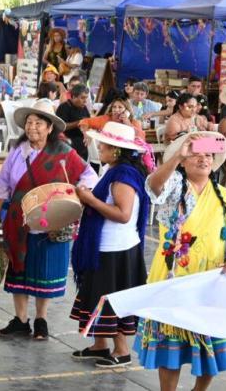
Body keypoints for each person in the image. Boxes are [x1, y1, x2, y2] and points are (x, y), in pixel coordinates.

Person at [140, 131, 226, 390]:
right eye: (196, 154)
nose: (203, 159)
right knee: (171, 349)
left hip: (210, 281)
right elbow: (153, 186)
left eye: (208, 154)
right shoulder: (175, 186)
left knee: (211, 344)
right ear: (185, 160)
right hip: (174, 278)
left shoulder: (223, 195)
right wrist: (178, 154)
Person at [0, 99, 98, 340]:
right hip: (19, 222)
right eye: (29, 123)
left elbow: (89, 176)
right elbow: (2, 187)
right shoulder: (17, 153)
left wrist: (75, 195)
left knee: (43, 272)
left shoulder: (64, 153)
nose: (32, 128)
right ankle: (20, 319)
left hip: (51, 223)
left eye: (39, 123)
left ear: (50, 128)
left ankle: (41, 319)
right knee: (19, 271)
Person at [70, 122, 152, 368]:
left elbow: (123, 214)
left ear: (115, 149)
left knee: (113, 299)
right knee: (100, 297)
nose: (99, 147)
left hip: (116, 249)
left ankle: (122, 350)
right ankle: (100, 346)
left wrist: (89, 200)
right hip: (106, 247)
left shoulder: (124, 176)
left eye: (103, 144)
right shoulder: (113, 169)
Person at [79, 98, 145, 142]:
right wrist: (86, 134)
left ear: (127, 110)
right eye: (114, 107)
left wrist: (128, 124)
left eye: (120, 107)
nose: (116, 110)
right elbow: (83, 121)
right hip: (108, 155)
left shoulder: (134, 122)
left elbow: (142, 138)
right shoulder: (105, 119)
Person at [56, 84, 94, 159]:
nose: (85, 101)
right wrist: (79, 122)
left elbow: (88, 122)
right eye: (82, 98)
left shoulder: (83, 108)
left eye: (86, 98)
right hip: (67, 144)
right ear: (73, 97)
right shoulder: (64, 107)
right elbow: (61, 126)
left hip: (82, 146)